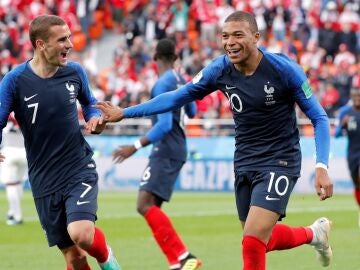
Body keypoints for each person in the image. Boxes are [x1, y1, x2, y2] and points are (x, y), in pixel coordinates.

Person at [95, 11, 334, 270]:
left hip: (280, 160)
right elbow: (178, 97)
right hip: (244, 160)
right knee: (255, 238)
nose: (230, 42)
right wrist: (124, 112)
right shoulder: (219, 69)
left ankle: (313, 235)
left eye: (238, 35)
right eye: (225, 36)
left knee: (253, 241)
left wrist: (321, 166)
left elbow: (319, 118)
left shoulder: (284, 70)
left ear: (256, 38)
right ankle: (314, 234)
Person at [0, 15, 121, 270]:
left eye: (69, 37)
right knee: (74, 258)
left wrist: (95, 119)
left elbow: (89, 104)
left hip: (77, 168)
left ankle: (106, 256)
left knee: (82, 233)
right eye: (62, 39)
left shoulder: (74, 72)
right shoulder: (14, 81)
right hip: (43, 178)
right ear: (41, 44)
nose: (70, 44)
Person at [112, 38, 200, 270]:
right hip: (178, 148)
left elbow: (164, 126)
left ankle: (183, 257)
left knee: (143, 204)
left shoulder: (162, 84)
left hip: (165, 148)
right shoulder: (181, 80)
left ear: (155, 57)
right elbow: (192, 110)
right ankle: (178, 262)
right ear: (175, 57)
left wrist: (135, 146)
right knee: (151, 207)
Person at [334, 87, 360, 226]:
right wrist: (342, 125)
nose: (357, 98)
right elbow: (337, 134)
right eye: (355, 96)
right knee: (357, 184)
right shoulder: (346, 113)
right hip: (352, 153)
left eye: (359, 96)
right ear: (352, 97)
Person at [1, 114, 27, 226]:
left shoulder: (4, 110)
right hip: (24, 151)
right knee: (18, 183)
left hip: (9, 151)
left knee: (11, 184)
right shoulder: (25, 109)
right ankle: (12, 212)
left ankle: (16, 215)